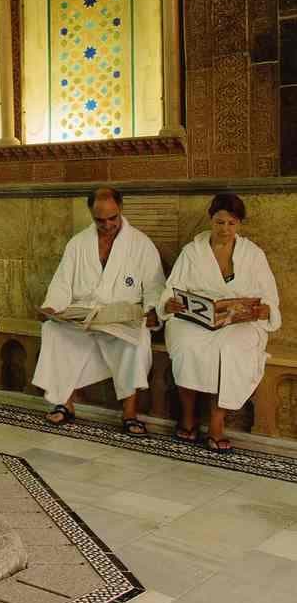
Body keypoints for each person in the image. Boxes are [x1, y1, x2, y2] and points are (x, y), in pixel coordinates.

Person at [33, 187, 165, 434]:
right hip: (84, 314)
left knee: (136, 340)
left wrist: (152, 311)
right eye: (99, 220)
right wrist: (52, 307)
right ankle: (65, 403)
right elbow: (62, 282)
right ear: (91, 214)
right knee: (54, 330)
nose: (107, 225)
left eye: (112, 218)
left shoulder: (141, 244)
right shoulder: (78, 243)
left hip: (121, 316)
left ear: (121, 209)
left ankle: (129, 412)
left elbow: (156, 286)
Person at [159, 193, 280, 453]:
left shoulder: (253, 254)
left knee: (230, 350)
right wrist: (169, 304)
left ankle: (216, 422)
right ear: (211, 220)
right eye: (220, 222)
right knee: (187, 345)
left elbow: (269, 296)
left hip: (238, 323)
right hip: (195, 320)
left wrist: (262, 310)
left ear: (240, 224)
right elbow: (171, 290)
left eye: (232, 224)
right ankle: (188, 416)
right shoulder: (192, 252)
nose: (225, 229)